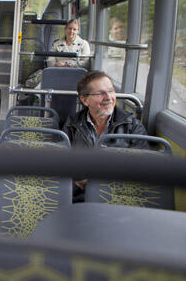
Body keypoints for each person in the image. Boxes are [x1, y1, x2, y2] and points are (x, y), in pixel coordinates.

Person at [62, 71, 148, 200]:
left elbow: (143, 167)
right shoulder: (72, 125)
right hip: (79, 196)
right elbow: (62, 163)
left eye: (111, 91)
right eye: (101, 93)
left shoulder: (132, 125)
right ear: (85, 100)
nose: (108, 97)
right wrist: (78, 182)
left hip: (118, 196)